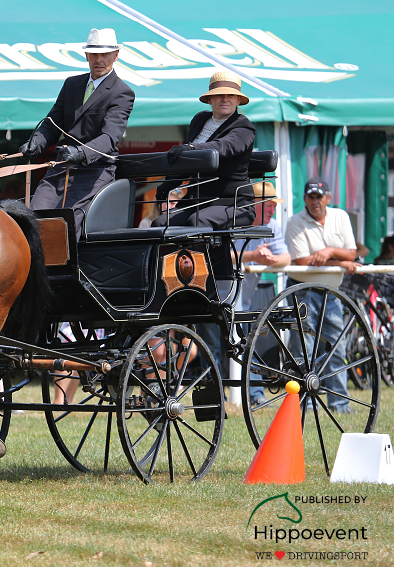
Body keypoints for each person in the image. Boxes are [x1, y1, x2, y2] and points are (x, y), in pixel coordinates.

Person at [20, 28, 134, 239]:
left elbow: (109, 138)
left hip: (95, 171)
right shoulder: (71, 84)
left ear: (116, 55)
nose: (99, 59)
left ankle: (70, 270)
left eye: (105, 54)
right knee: (33, 217)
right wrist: (34, 143)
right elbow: (52, 124)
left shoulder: (122, 92)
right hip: (62, 167)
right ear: (86, 55)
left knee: (67, 223)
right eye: (94, 54)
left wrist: (81, 153)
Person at [285, 177, 360, 413]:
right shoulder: (295, 221)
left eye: (319, 196)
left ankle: (340, 404)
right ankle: (303, 403)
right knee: (303, 350)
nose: (315, 201)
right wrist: (339, 260)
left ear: (328, 198)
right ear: (305, 199)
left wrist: (327, 253)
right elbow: (303, 261)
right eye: (310, 197)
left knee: (337, 347)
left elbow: (353, 253)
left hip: (332, 293)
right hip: (303, 291)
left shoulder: (341, 217)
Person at [154, 71, 256, 229]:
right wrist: (168, 185)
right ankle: (175, 255)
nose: (225, 99)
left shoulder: (243, 126)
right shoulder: (200, 119)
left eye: (230, 95)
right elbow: (187, 160)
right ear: (210, 99)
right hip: (197, 201)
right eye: (219, 95)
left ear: (238, 100)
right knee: (160, 223)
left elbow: (223, 146)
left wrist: (191, 147)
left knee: (198, 221)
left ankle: (204, 255)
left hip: (233, 204)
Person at [239, 182, 291, 405]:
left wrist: (270, 260)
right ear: (255, 205)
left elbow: (286, 258)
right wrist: (254, 257)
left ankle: (255, 394)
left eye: (274, 206)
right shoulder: (236, 221)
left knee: (246, 345)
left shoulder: (274, 226)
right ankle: (227, 396)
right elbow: (220, 256)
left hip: (244, 300)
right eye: (269, 205)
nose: (272, 210)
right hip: (220, 297)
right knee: (225, 346)